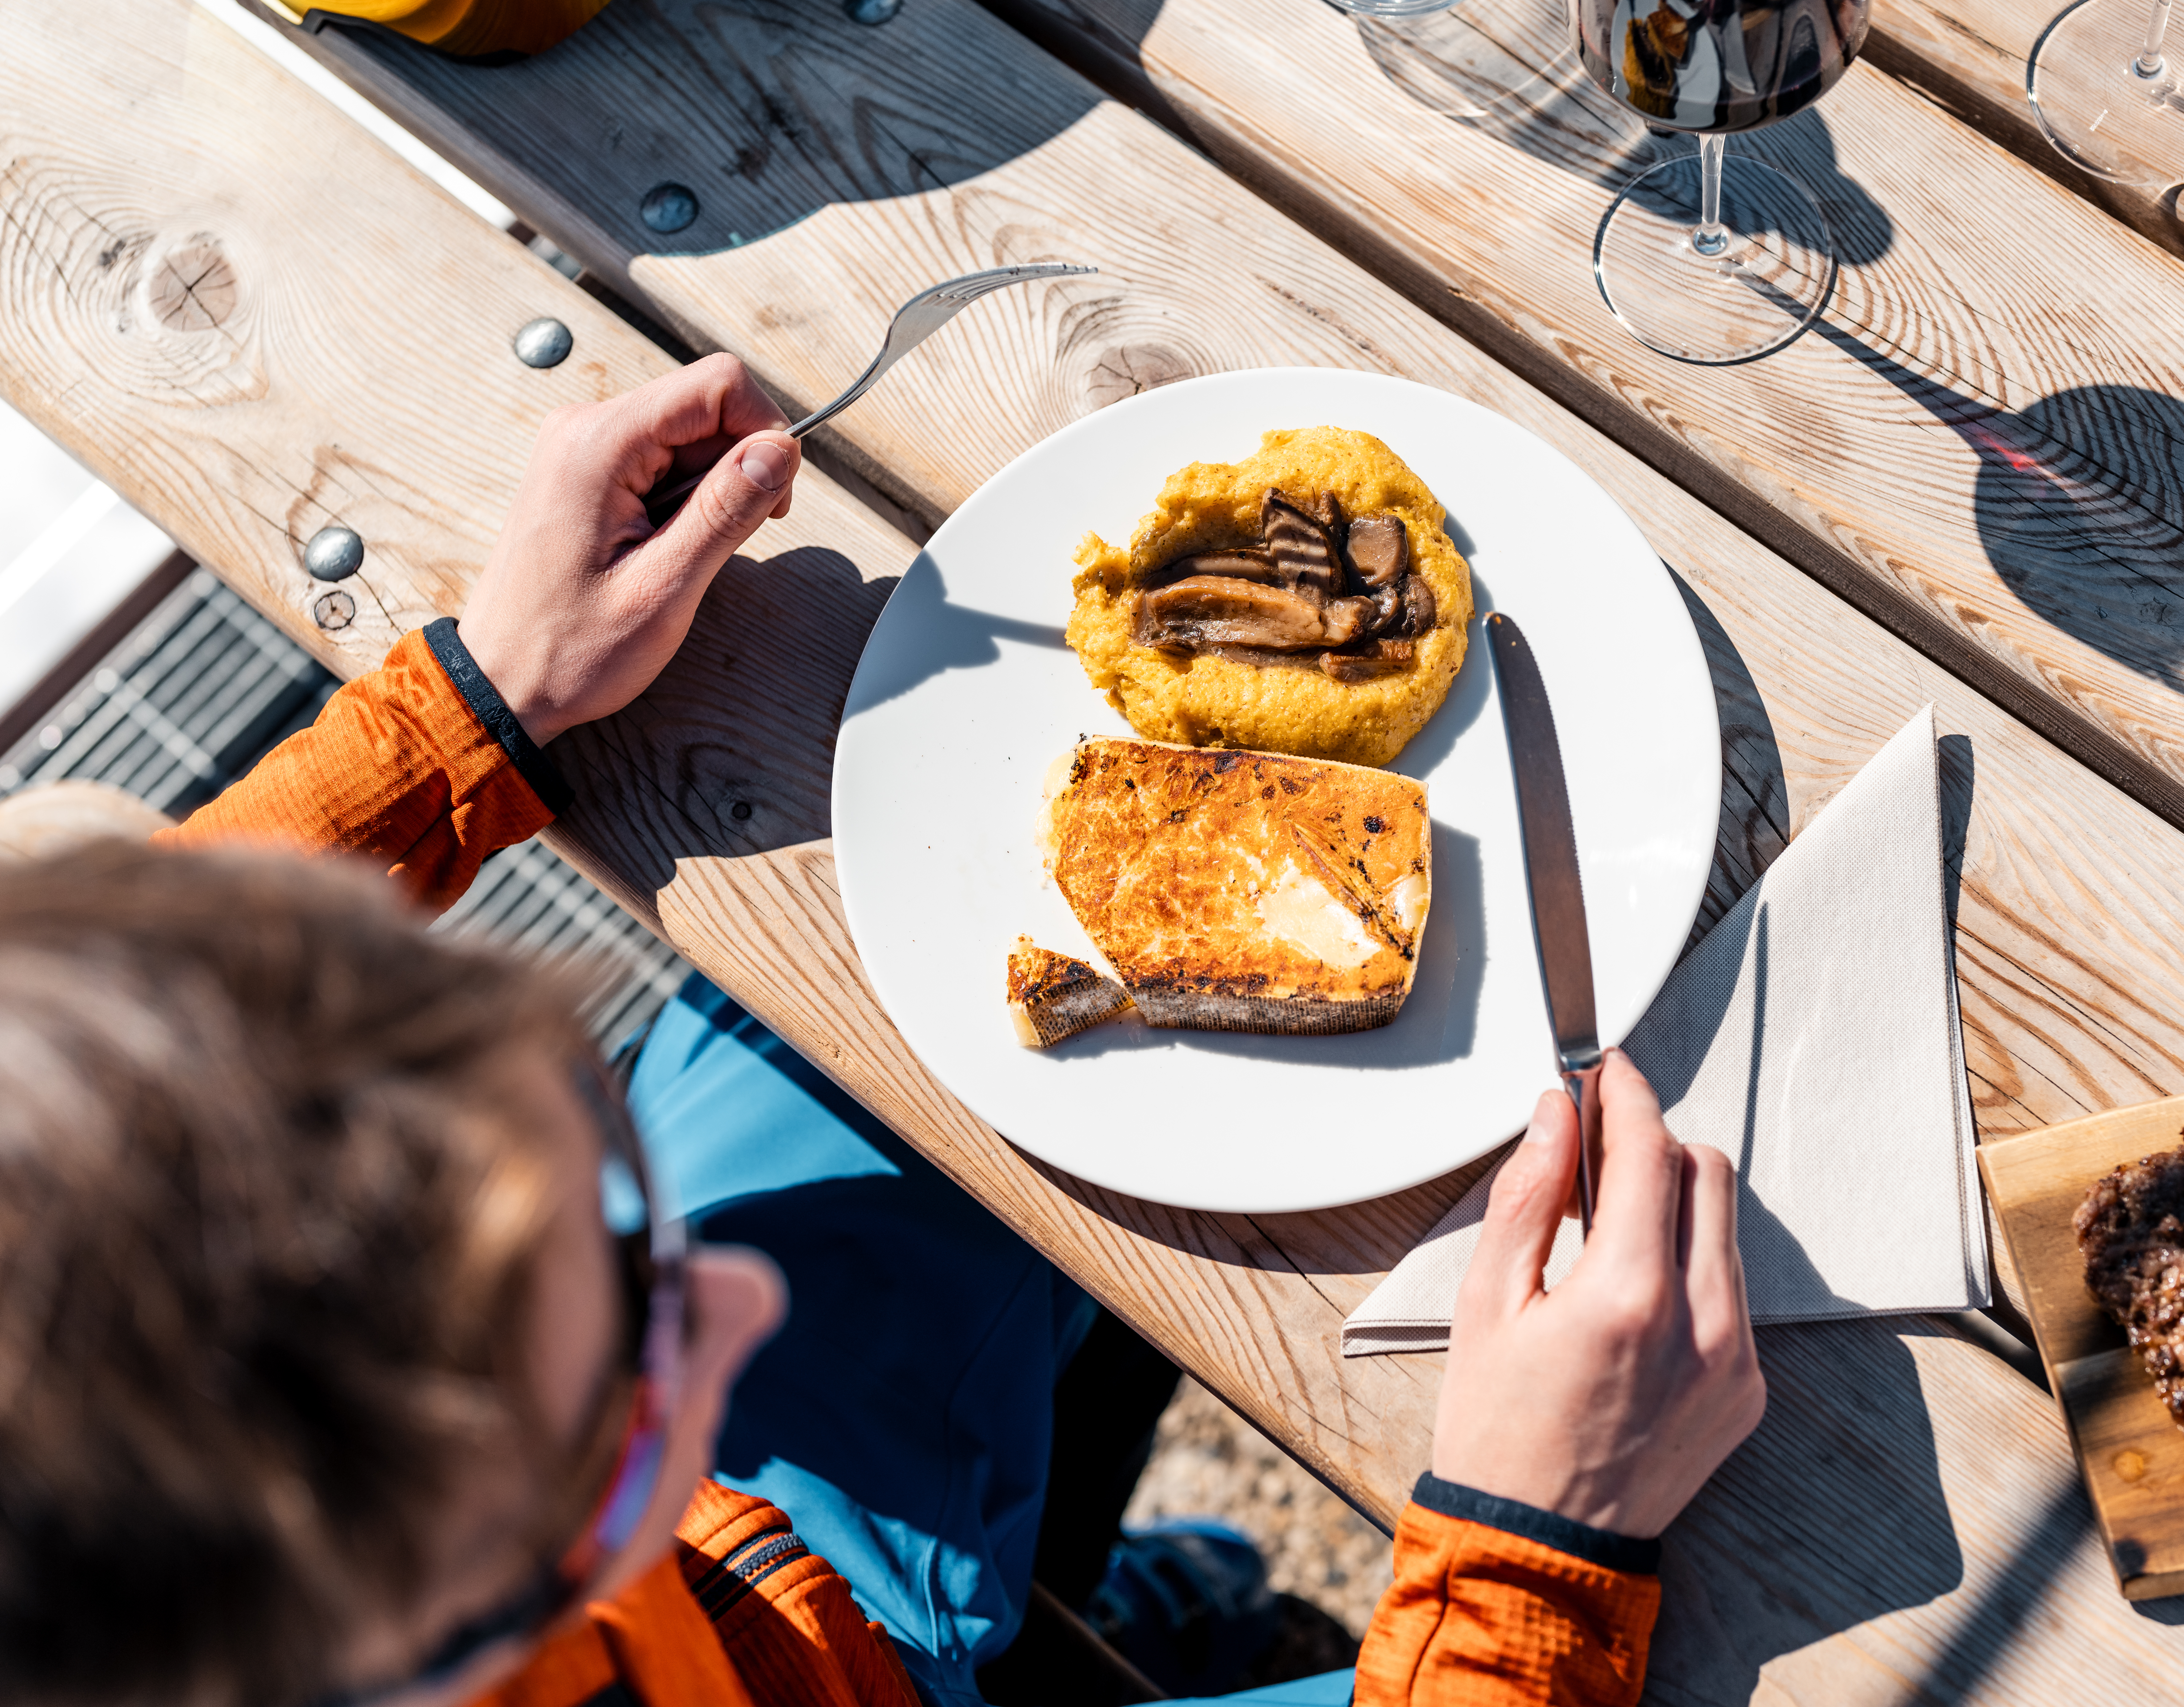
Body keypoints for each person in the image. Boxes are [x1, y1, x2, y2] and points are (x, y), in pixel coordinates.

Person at [0, 357, 1765, 1707]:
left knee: (814, 1063)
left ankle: (1025, 1573)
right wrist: (1535, 1561)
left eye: (597, 1196)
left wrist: (476, 705)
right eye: (605, 1416)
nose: (734, 1286)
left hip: (737, 1579)